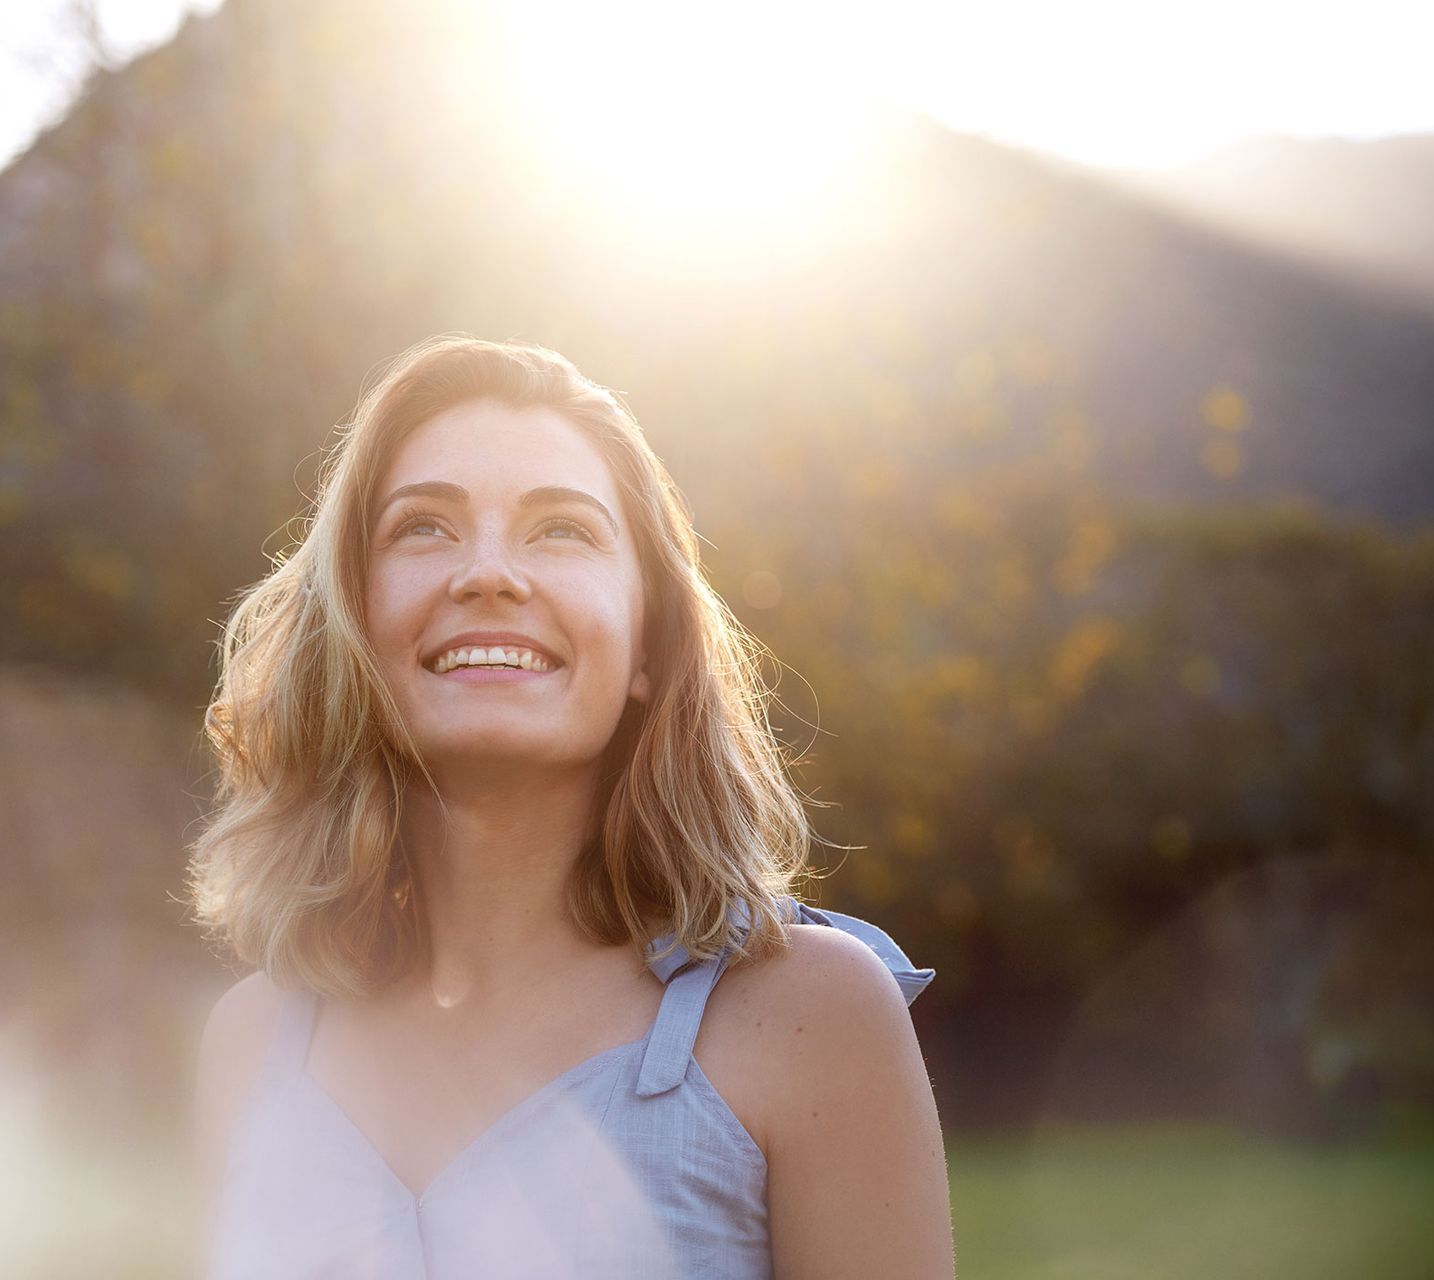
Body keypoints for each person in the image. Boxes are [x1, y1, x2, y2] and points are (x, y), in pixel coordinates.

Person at [189, 335, 954, 1278]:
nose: (489, 575)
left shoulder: (807, 1014)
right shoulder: (252, 1044)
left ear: (646, 645)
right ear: (350, 620)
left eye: (562, 530)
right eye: (422, 527)